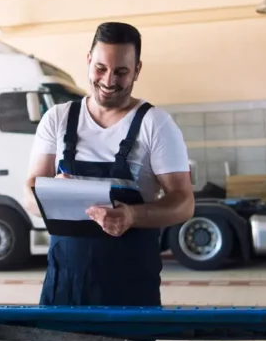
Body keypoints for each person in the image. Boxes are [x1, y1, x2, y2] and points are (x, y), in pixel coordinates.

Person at [24, 21, 194, 306]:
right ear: (89, 61)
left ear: (137, 70)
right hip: (65, 286)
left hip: (130, 287)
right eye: (100, 68)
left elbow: (184, 203)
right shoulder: (57, 119)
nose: (108, 81)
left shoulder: (156, 124)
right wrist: (52, 194)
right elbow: (29, 192)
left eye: (121, 72)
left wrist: (132, 216)